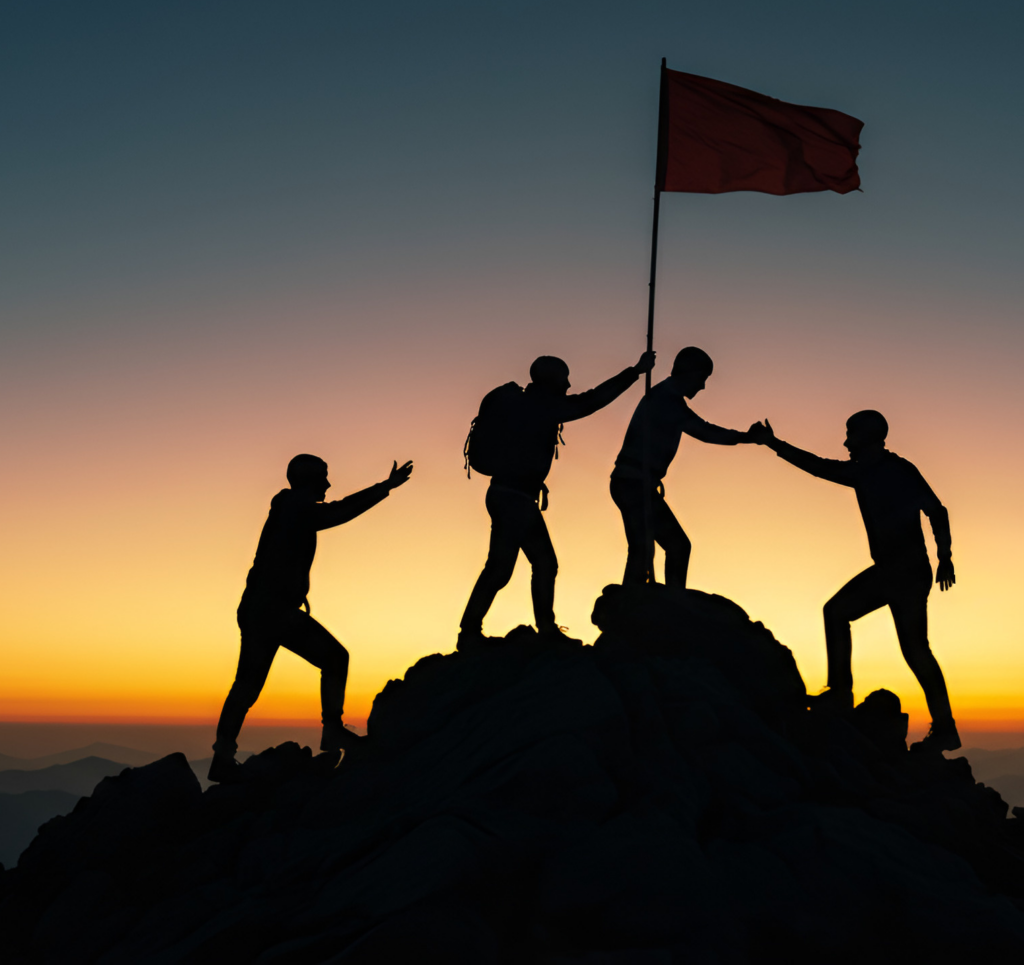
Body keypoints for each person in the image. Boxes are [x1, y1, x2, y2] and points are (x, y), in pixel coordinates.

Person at [750, 411, 959, 752]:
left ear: (870, 437)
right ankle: (938, 724)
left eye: (851, 435)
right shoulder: (890, 469)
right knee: (899, 641)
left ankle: (843, 696)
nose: (846, 442)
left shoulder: (878, 471)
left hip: (902, 573)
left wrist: (945, 557)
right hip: (902, 571)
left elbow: (819, 466)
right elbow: (937, 510)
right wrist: (944, 557)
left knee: (866, 626)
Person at [209, 454, 413, 783]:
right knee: (334, 659)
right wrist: (384, 487)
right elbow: (338, 512)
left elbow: (332, 511)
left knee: (246, 686)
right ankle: (332, 732)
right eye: (324, 478)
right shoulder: (295, 507)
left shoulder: (289, 507)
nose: (328, 484)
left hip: (261, 609)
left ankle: (222, 758)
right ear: (307, 480)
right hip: (274, 611)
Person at [459, 350, 656, 648]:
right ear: (551, 381)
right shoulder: (543, 407)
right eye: (564, 379)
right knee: (537, 563)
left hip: (505, 494)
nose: (568, 385)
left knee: (507, 567)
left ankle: (473, 631)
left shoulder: (524, 404)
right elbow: (591, 401)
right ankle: (539, 630)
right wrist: (635, 371)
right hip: (515, 499)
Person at [610, 346, 757, 587]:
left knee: (647, 548)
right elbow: (705, 431)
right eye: (702, 379)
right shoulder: (666, 400)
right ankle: (662, 603)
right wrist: (747, 437)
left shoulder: (667, 398)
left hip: (634, 483)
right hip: (633, 484)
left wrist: (746, 437)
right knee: (668, 547)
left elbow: (704, 430)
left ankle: (642, 599)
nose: (703, 387)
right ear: (689, 373)